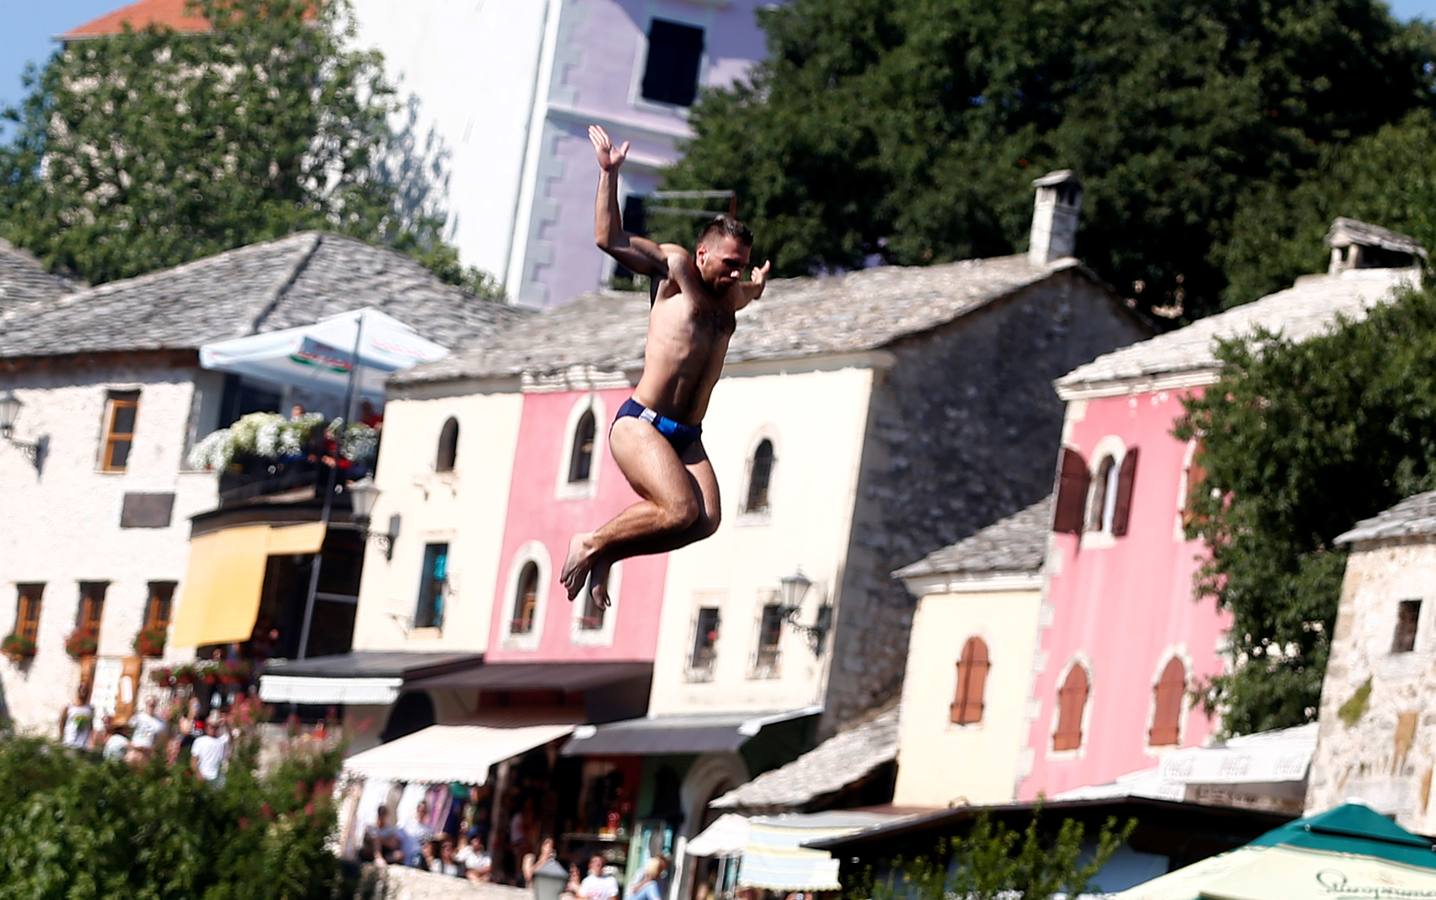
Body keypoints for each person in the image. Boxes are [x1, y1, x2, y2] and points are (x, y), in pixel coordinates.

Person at [562, 125, 768, 610]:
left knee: (706, 519)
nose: (736, 273)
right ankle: (590, 541)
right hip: (642, 424)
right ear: (702, 254)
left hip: (687, 433)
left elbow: (751, 290)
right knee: (678, 509)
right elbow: (607, 238)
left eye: (743, 265)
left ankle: (608, 552)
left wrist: (757, 283)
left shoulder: (733, 296)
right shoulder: (675, 271)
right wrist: (609, 174)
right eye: (730, 263)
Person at [189, 713, 229, 785]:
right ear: (207, 726)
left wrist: (226, 724)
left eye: (215, 727)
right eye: (211, 726)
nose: (213, 729)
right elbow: (193, 761)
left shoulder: (221, 742)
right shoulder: (199, 741)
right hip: (202, 777)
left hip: (216, 779)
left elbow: (230, 740)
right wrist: (198, 774)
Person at [128, 695, 168, 760]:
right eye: (149, 703)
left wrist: (154, 749)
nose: (151, 706)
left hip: (147, 752)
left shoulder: (160, 723)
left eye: (153, 704)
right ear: (146, 704)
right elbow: (129, 730)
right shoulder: (138, 717)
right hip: (134, 749)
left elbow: (162, 739)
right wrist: (130, 744)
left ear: (156, 705)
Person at [402, 799, 434, 867]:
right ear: (417, 810)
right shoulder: (407, 823)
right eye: (420, 810)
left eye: (424, 811)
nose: (421, 813)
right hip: (405, 855)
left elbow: (428, 846)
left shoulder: (428, 829)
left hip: (418, 858)